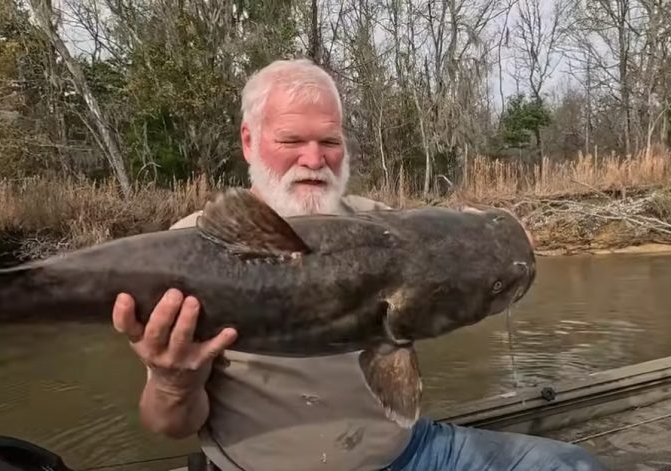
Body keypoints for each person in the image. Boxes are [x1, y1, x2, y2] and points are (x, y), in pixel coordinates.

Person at [111, 59, 605, 471]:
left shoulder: (380, 219)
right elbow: (167, 424)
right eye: (291, 141)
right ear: (248, 141)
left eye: (329, 141)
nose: (314, 159)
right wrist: (174, 381)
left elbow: (470, 245)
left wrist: (506, 238)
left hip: (415, 453)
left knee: (572, 466)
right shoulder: (195, 249)